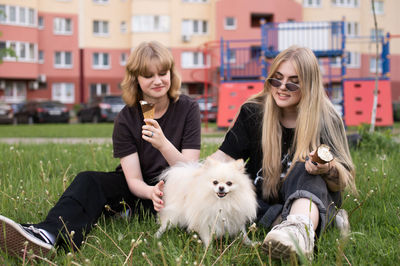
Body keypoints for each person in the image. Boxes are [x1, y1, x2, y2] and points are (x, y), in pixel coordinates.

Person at [0, 41, 201, 259]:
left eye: (163, 73)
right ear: (136, 79)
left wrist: (163, 144)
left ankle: (123, 213)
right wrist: (150, 192)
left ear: (171, 73)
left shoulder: (187, 108)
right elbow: (133, 180)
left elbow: (190, 170)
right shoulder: (127, 117)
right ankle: (46, 235)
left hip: (177, 189)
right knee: (88, 180)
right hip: (141, 189)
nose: (158, 81)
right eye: (148, 75)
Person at [210, 46, 356, 259]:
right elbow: (223, 158)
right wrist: (191, 177)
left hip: (308, 193)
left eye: (293, 82)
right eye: (276, 80)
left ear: (309, 84)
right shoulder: (253, 111)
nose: (282, 87)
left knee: (305, 168)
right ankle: (308, 223)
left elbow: (341, 182)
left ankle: (298, 231)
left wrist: (327, 168)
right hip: (263, 199)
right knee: (234, 195)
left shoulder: (327, 118)